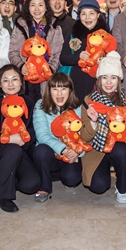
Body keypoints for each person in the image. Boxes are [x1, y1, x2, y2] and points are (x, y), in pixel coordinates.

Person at [0, 64, 40, 212]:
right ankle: (3, 197)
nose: (10, 84)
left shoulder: (28, 102)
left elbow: (32, 130)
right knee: (12, 149)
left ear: (21, 82)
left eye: (14, 79)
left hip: (20, 151)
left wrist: (24, 139)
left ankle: (8, 177)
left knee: (31, 185)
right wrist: (8, 139)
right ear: (0, 84)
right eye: (5, 80)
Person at [81, 52, 126, 203]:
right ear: (99, 79)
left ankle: (122, 186)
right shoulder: (89, 101)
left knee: (121, 150)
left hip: (120, 148)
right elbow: (84, 138)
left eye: (113, 77)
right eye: (104, 77)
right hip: (97, 149)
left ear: (119, 80)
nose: (109, 82)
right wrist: (93, 122)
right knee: (99, 186)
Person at [32, 73, 83, 202]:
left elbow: (81, 136)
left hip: (70, 153)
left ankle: (64, 175)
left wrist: (76, 152)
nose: (59, 93)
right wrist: (63, 149)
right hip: (50, 152)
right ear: (49, 91)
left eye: (63, 89)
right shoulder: (40, 105)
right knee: (40, 150)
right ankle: (44, 187)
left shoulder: (77, 107)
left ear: (70, 90)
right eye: (55, 89)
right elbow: (41, 135)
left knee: (71, 179)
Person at [9, 0, 64, 101]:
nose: (37, 9)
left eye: (40, 5)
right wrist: (21, 65)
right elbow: (13, 51)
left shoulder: (54, 26)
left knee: (43, 106)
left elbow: (58, 53)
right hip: (25, 76)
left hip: (46, 78)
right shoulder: (20, 24)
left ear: (46, 7)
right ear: (28, 8)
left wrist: (49, 69)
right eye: (33, 5)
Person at [60, 0, 109, 101]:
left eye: (91, 13)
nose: (87, 18)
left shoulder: (105, 35)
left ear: (98, 15)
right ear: (79, 16)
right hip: (76, 82)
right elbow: (63, 58)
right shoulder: (73, 33)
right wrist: (78, 57)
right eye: (83, 14)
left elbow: (113, 58)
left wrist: (104, 61)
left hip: (99, 83)